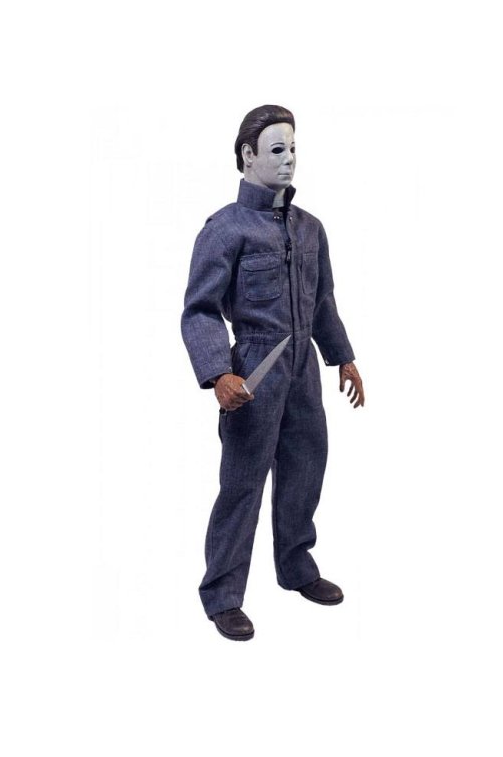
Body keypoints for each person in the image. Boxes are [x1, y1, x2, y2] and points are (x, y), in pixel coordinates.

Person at [181, 105, 365, 641]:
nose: (288, 160)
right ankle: (222, 594)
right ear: (248, 156)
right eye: (276, 150)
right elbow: (199, 309)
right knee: (242, 483)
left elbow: (323, 300)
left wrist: (343, 357)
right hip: (255, 373)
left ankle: (296, 566)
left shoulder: (311, 229)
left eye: (293, 149)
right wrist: (218, 372)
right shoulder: (225, 229)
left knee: (306, 467)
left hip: (303, 370)